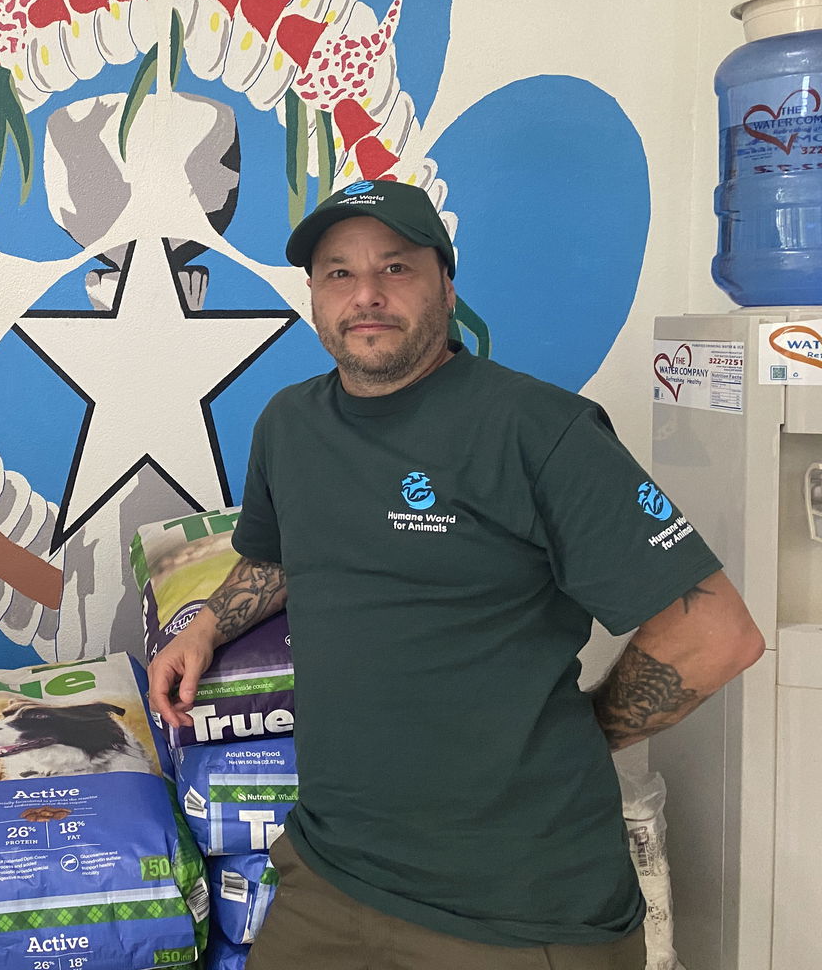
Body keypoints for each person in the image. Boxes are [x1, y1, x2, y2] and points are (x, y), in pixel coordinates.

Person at [147, 181, 764, 969]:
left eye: (395, 267)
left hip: (518, 911)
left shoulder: (541, 431)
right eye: (339, 272)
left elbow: (716, 633)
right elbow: (275, 556)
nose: (365, 294)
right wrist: (205, 623)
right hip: (331, 878)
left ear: (446, 281)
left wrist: (587, 731)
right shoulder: (289, 425)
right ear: (313, 294)